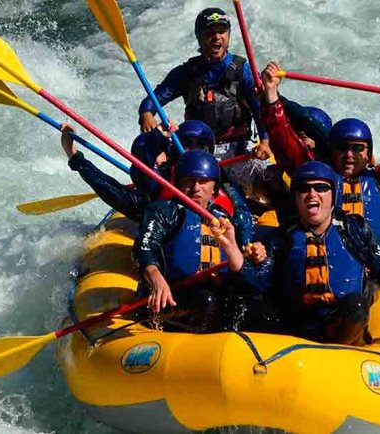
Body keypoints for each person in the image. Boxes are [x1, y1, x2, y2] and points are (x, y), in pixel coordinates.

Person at [261, 61, 380, 247]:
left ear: (368, 153)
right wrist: (271, 95)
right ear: (331, 150)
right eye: (342, 148)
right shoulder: (316, 176)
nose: (349, 155)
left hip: (374, 271)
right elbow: (284, 142)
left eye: (357, 148)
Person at [276, 161, 380, 353]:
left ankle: (343, 353)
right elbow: (264, 283)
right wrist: (243, 261)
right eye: (304, 189)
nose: (312, 194)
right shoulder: (284, 237)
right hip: (301, 326)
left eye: (321, 188)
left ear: (333, 195)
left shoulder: (353, 231)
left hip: (342, 326)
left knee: (356, 305)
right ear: (295, 198)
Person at [137, 7, 273, 198]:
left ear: (229, 35)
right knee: (145, 149)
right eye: (210, 33)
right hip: (196, 152)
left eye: (222, 32)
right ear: (200, 38)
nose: (217, 37)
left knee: (269, 184)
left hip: (237, 150)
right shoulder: (186, 73)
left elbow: (261, 110)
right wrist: (146, 113)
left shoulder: (243, 70)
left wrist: (265, 141)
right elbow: (153, 100)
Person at [134, 150, 265, 331]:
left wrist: (252, 251)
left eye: (203, 182)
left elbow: (241, 272)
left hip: (211, 295)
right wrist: (155, 277)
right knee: (207, 301)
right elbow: (146, 247)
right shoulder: (164, 211)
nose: (196, 188)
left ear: (214, 188)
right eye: (189, 181)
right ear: (178, 183)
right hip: (170, 297)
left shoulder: (223, 218)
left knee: (248, 298)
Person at [60, 120, 220, 222]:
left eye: (198, 146)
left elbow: (239, 209)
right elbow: (139, 170)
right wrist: (157, 137)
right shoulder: (163, 173)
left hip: (203, 225)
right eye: (187, 144)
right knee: (112, 190)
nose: (191, 151)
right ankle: (74, 156)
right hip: (157, 214)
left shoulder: (218, 176)